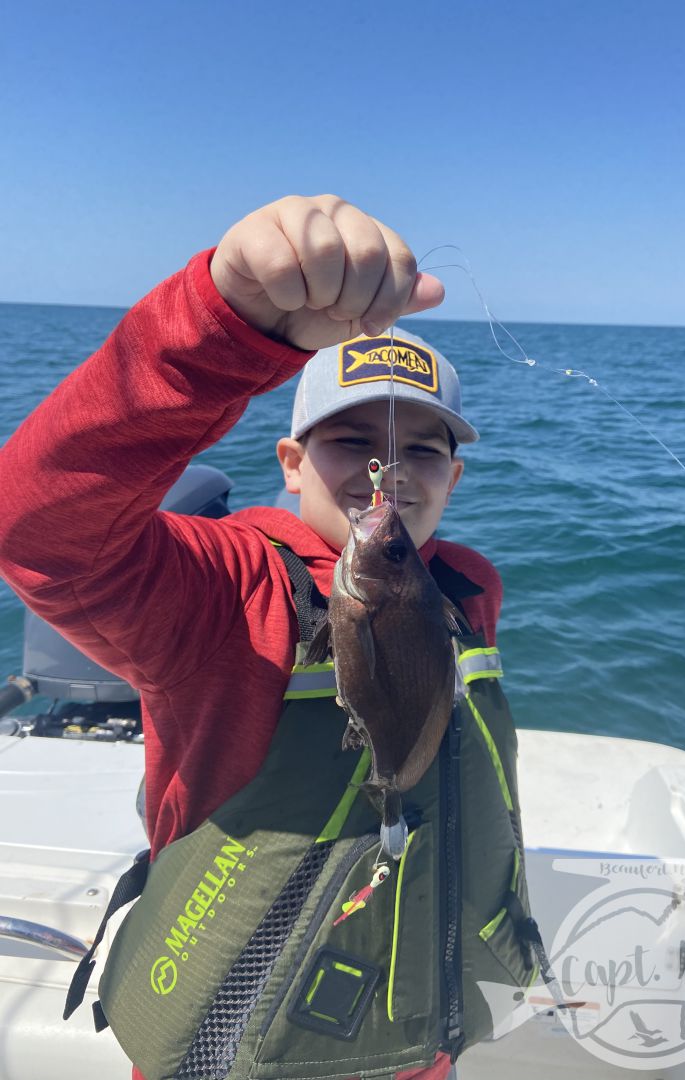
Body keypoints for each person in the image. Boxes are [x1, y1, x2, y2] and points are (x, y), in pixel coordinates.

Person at [0, 195, 537, 1080]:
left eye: (421, 452)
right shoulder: (223, 588)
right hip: (232, 1035)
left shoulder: (467, 586)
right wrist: (222, 328)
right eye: (351, 443)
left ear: (454, 474)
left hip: (413, 1027)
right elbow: (37, 532)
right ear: (290, 464)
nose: (387, 471)